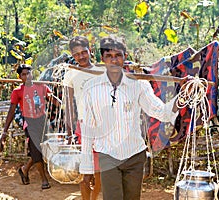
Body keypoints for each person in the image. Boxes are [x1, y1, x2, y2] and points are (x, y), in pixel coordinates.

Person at [79, 35, 185, 199]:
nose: (114, 61)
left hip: (135, 155)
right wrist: (86, 169)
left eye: (118, 56)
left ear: (125, 57)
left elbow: (161, 112)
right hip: (107, 155)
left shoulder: (138, 84)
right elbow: (88, 129)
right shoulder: (91, 88)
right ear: (102, 58)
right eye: (109, 56)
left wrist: (183, 96)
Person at [63, 36, 103, 200]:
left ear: (90, 50)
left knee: (100, 172)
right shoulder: (71, 74)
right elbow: (68, 104)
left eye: (83, 52)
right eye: (77, 54)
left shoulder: (101, 72)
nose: (81, 57)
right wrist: (68, 129)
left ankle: (93, 198)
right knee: (85, 174)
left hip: (103, 127)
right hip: (84, 127)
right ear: (72, 55)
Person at [2, 64, 51, 190]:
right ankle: (44, 179)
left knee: (43, 149)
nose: (27, 76)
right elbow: (12, 111)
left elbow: (53, 100)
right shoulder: (17, 92)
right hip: (29, 123)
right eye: (23, 74)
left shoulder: (42, 86)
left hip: (42, 121)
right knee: (36, 150)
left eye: (28, 73)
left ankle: (24, 169)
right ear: (20, 77)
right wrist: (4, 131)